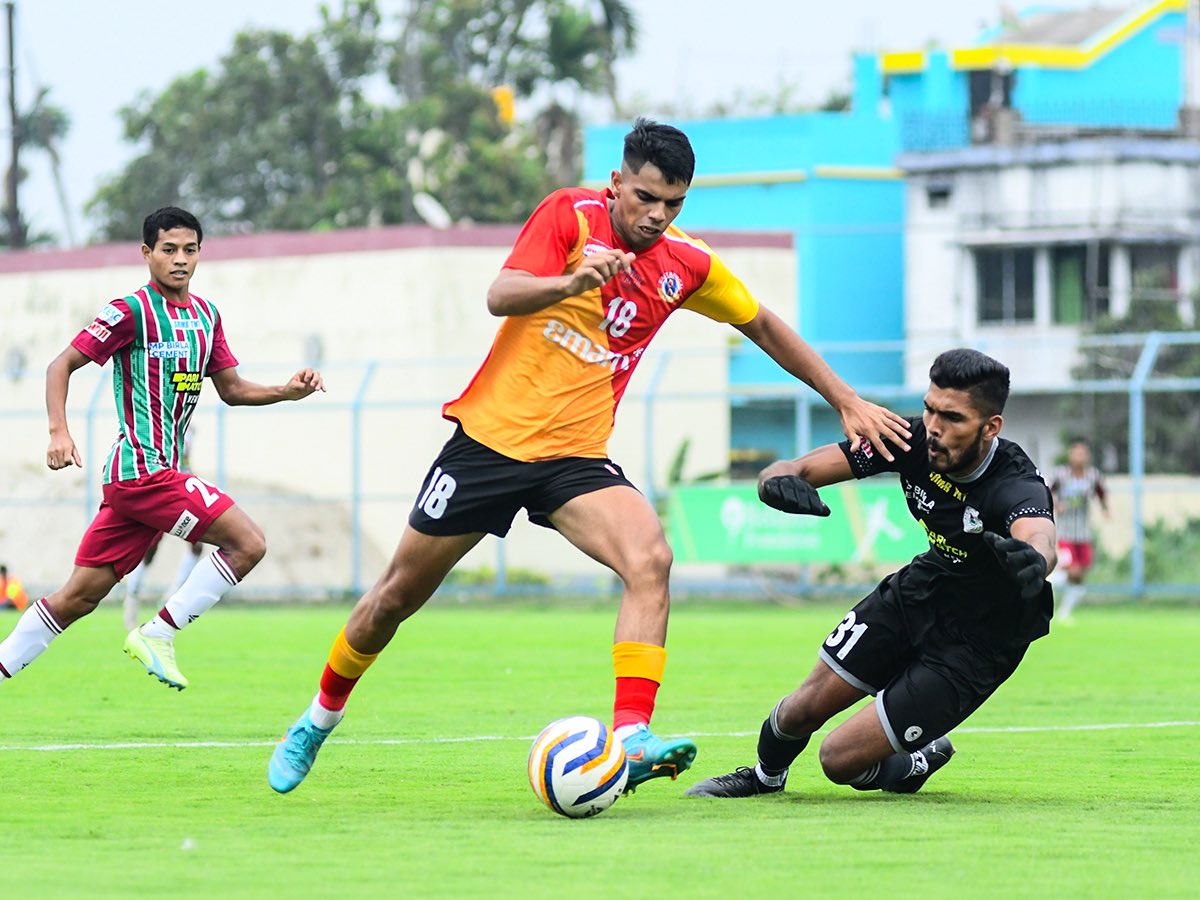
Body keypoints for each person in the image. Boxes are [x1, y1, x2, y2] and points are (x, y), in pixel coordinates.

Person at [266, 117, 912, 795]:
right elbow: (501, 294)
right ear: (616, 184)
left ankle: (631, 736)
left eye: (673, 204)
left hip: (573, 460)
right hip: (488, 445)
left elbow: (764, 325)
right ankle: (317, 720)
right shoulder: (568, 217)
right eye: (644, 198)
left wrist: (845, 399)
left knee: (651, 558)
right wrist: (571, 281)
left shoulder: (687, 263)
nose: (657, 215)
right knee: (393, 598)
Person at [686, 348, 1056, 799]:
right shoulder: (909, 438)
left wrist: (1034, 559)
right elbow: (796, 468)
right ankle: (765, 777)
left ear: (990, 426)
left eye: (953, 418)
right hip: (924, 589)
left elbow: (1040, 535)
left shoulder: (1013, 481)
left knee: (837, 759)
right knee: (801, 709)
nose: (934, 428)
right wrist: (777, 481)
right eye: (929, 409)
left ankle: (918, 760)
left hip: (981, 640)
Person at [0, 206, 325, 690]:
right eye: (168, 250)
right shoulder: (130, 311)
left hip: (145, 482)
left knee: (77, 598)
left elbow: (232, 390)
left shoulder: (206, 316)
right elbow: (59, 365)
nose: (180, 260)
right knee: (248, 543)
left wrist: (285, 390)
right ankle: (159, 633)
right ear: (147, 253)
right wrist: (58, 431)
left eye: (189, 250)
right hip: (142, 471)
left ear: (200, 254)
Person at [122, 427, 205, 631]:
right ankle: (132, 594)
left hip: (183, 487)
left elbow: (184, 459)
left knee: (197, 544)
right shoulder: (162, 423)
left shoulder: (188, 426)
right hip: (164, 487)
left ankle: (173, 597)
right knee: (150, 549)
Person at [1048, 439, 1108, 620]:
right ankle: (1046, 582)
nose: (1080, 457)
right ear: (1070, 455)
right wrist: (1055, 505)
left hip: (1084, 532)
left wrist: (1106, 509)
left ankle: (1064, 612)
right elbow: (1047, 490)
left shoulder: (1093, 475)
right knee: (1072, 571)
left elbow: (1101, 492)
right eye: (1077, 453)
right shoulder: (1061, 474)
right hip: (1066, 531)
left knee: (1080, 576)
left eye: (1083, 453)